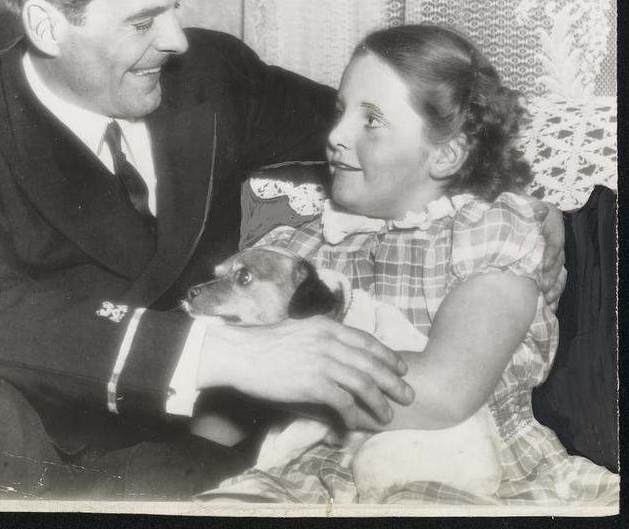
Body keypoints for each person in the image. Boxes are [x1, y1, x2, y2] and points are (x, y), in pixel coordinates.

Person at [0, 0, 564, 500]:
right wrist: (219, 350)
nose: (177, 38)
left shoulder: (209, 76)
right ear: (48, 26)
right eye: (145, 20)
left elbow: (388, 136)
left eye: (175, 5)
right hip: (33, 440)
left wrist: (514, 193)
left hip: (191, 450)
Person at [198, 25, 618, 505]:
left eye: (371, 120)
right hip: (306, 474)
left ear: (446, 153)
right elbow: (217, 416)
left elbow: (442, 393)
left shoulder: (490, 233)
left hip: (457, 468)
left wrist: (251, 367)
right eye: (340, 111)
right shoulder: (299, 248)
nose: (335, 135)